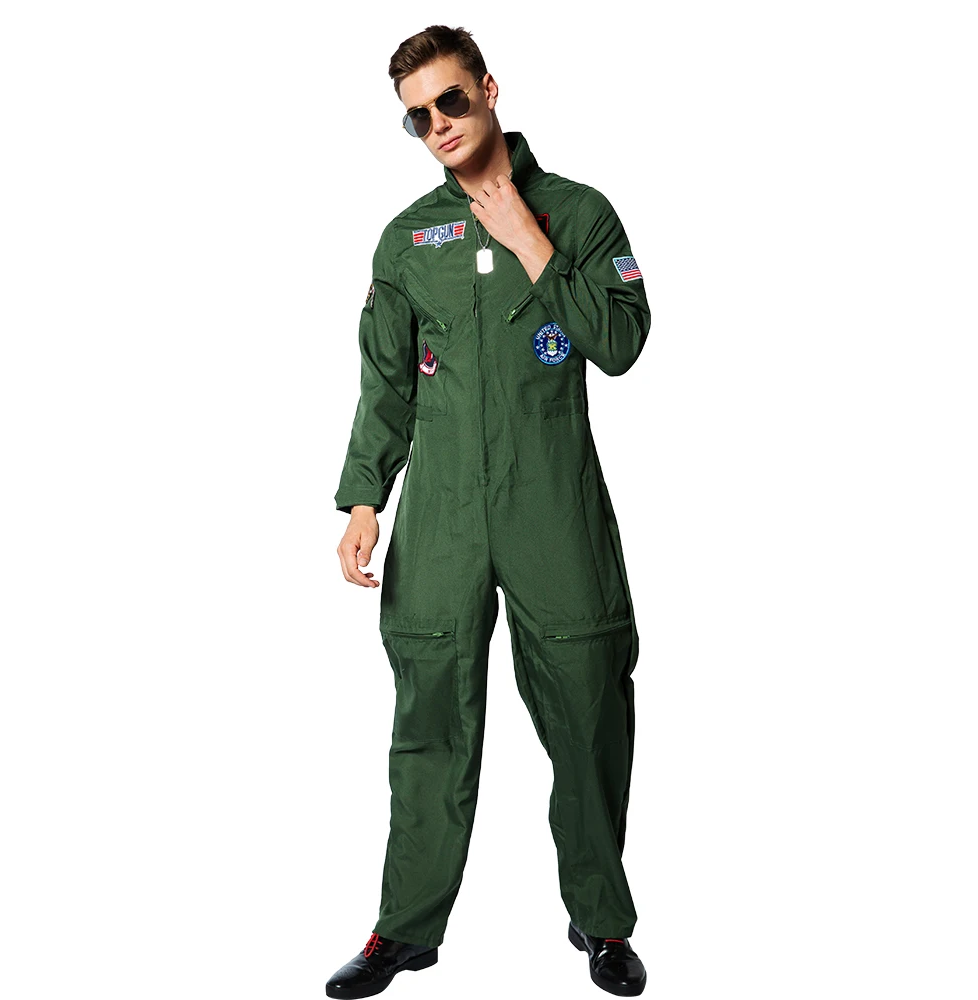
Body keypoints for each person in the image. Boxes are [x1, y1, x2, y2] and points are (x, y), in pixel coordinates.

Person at [328, 24, 651, 999]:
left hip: (552, 501)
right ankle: (404, 929)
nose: (437, 123)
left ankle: (601, 920)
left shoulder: (580, 212)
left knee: (590, 703)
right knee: (429, 713)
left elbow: (621, 342)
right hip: (443, 516)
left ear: (488, 89)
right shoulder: (406, 240)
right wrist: (364, 497)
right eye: (416, 116)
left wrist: (526, 238)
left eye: (450, 100)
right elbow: (386, 382)